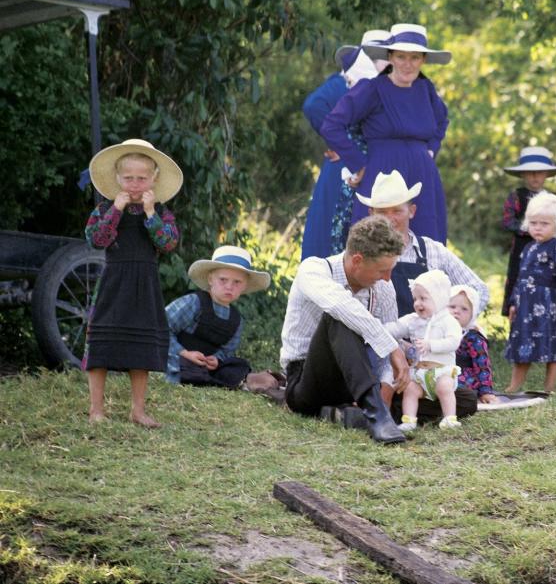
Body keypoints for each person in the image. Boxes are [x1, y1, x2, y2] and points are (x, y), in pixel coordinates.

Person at [280, 216, 408, 444]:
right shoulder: (313, 270)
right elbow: (340, 305)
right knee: (340, 317)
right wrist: (392, 346)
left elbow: (388, 344)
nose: (387, 278)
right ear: (357, 260)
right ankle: (376, 416)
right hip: (306, 381)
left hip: (357, 377)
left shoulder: (383, 288)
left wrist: (387, 388)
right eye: (382, 270)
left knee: (460, 400)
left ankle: (350, 412)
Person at [82, 139, 182, 428]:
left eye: (141, 178)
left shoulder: (161, 212)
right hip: (113, 282)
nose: (135, 184)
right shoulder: (104, 208)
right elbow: (96, 239)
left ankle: (137, 410)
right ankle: (95, 410)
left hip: (145, 284)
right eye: (128, 178)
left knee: (141, 349)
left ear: (153, 179)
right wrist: (116, 209)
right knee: (101, 345)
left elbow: (168, 243)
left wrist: (150, 214)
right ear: (117, 179)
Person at [321, 23, 451, 243]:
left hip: (423, 177)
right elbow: (332, 125)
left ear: (423, 60)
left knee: (425, 242)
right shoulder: (371, 89)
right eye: (401, 57)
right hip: (382, 172)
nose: (408, 65)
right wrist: (358, 164)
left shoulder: (426, 90)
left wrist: (431, 150)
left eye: (415, 58)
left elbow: (441, 121)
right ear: (390, 56)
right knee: (376, 243)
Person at [302, 29, 391, 259]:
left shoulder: (385, 86)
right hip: (346, 170)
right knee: (333, 238)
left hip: (372, 168)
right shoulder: (347, 82)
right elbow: (314, 106)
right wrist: (344, 146)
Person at [357, 169, 489, 321]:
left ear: (411, 211)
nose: (389, 219)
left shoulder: (432, 250)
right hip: (378, 340)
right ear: (370, 213)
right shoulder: (360, 253)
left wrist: (449, 322)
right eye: (382, 212)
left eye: (397, 211)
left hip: (428, 341)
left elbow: (479, 290)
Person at [164, 246, 271, 388]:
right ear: (210, 279)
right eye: (223, 280)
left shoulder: (236, 320)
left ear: (245, 286)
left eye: (237, 282)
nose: (229, 286)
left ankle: (212, 377)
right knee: (181, 363)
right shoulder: (194, 302)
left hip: (205, 365)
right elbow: (161, 326)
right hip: (178, 355)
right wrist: (184, 353)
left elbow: (227, 351)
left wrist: (216, 360)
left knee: (239, 365)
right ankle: (194, 375)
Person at [504, 192, 556, 394]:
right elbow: (520, 278)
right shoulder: (527, 249)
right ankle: (514, 385)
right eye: (534, 223)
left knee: (552, 347)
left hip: (549, 306)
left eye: (544, 223)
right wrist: (513, 303)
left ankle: (549, 388)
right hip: (526, 306)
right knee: (522, 345)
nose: (538, 227)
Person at [386, 270, 462, 431]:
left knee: (444, 388)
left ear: (439, 298)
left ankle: (449, 418)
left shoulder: (448, 320)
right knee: (411, 389)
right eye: (415, 299)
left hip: (441, 371)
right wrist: (379, 329)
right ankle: (409, 420)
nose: (418, 303)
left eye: (423, 298)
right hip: (420, 373)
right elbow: (395, 328)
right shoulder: (413, 320)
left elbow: (454, 341)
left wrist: (431, 345)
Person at [501, 146, 556, 316]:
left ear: (546, 174)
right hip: (521, 247)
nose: (535, 176)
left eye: (539, 172)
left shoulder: (552, 199)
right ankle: (515, 313)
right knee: (518, 277)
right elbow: (507, 220)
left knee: (547, 278)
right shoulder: (516, 196)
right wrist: (530, 229)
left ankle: (547, 314)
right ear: (523, 174)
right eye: (530, 172)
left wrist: (546, 232)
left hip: (548, 247)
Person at [449, 284, 497, 404]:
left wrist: (486, 391)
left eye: (464, 309)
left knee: (456, 388)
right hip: (442, 373)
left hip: (464, 377)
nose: (456, 311)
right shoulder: (439, 332)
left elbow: (482, 366)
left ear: (472, 314)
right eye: (452, 306)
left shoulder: (473, 337)